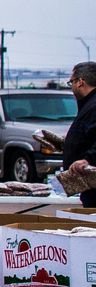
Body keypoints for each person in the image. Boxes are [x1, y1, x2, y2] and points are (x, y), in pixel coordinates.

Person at [61, 62, 96, 207]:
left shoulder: (93, 106)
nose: (72, 86)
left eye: (72, 81)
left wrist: (88, 159)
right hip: (88, 184)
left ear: (81, 82)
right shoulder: (88, 104)